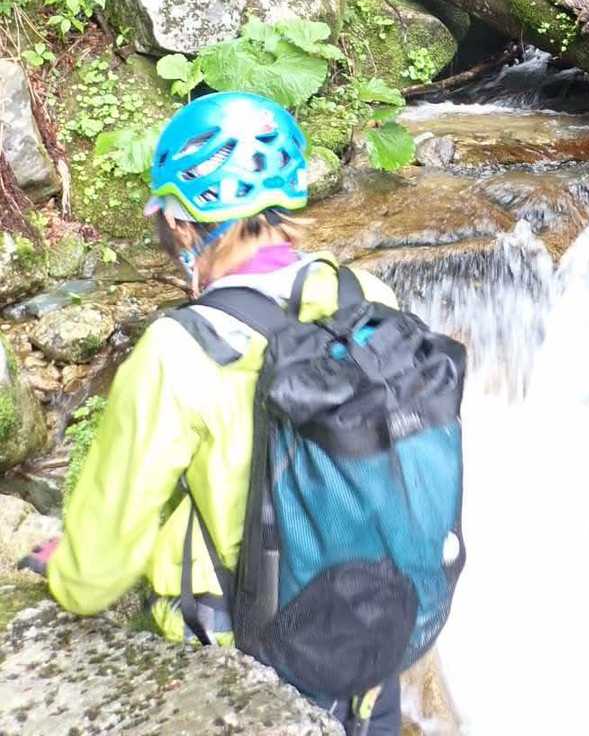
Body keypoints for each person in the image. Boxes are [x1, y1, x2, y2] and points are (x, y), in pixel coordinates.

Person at [25, 91, 403, 736]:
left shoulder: (180, 348)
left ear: (181, 224)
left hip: (248, 646)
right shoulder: (366, 295)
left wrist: (68, 566)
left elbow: (97, 570)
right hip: (368, 637)